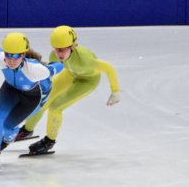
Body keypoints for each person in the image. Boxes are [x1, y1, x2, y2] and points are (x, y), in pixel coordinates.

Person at [17, 25, 120, 154]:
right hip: (71, 74)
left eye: (62, 50)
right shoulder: (54, 56)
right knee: (43, 98)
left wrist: (115, 91)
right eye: (56, 49)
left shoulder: (85, 60)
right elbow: (48, 74)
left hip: (88, 80)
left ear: (72, 46)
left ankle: (49, 141)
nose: (58, 54)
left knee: (55, 106)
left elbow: (109, 68)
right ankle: (27, 129)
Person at [0, 32, 63, 169]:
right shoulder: (1, 58)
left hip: (32, 98)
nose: (11, 60)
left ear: (23, 55)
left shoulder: (35, 70)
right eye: (8, 55)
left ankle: (9, 138)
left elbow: (55, 68)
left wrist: (64, 63)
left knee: (8, 126)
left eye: (16, 56)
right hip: (11, 89)